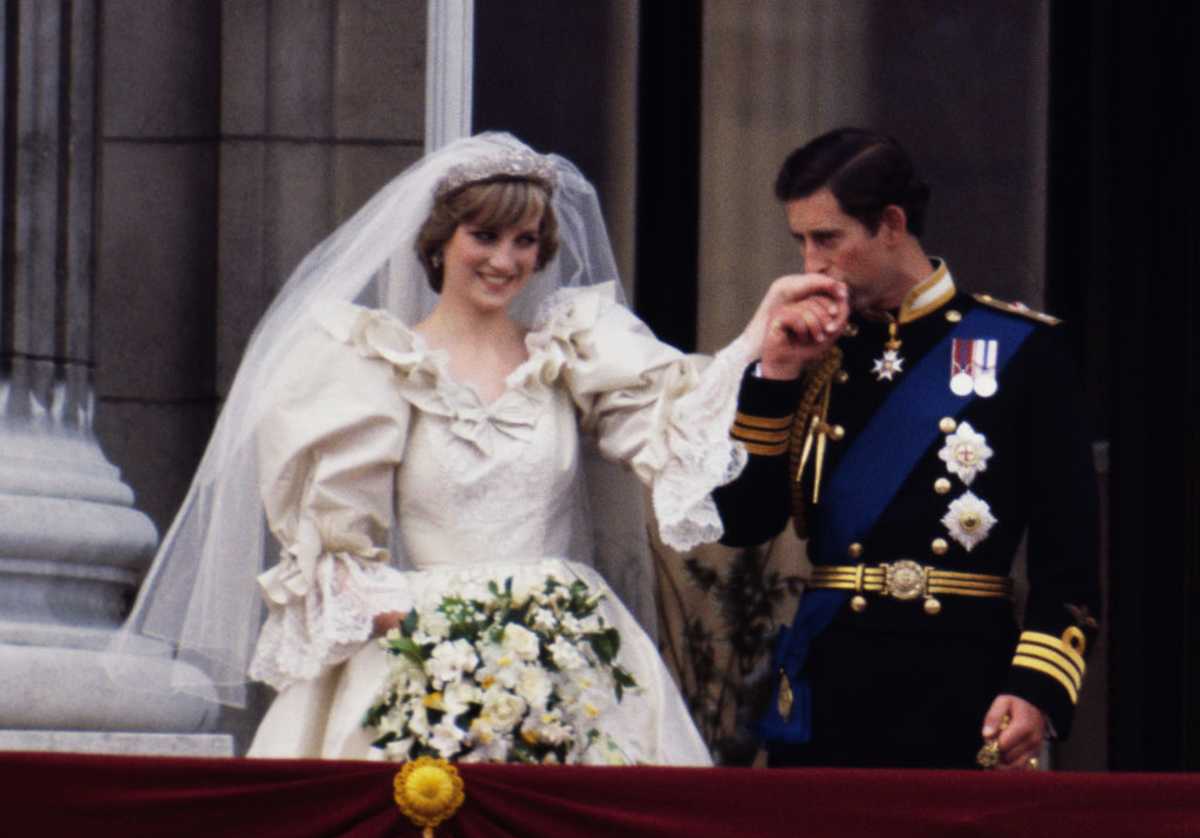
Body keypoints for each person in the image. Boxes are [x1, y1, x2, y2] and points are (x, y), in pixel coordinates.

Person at [111, 132, 845, 765]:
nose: (506, 260)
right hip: (424, 652)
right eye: (484, 237)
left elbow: (679, 423)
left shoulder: (572, 350)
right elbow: (338, 551)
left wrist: (759, 343)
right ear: (439, 243)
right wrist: (444, 640)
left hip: (574, 651)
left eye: (525, 241)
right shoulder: (373, 364)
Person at [713, 127, 1101, 770]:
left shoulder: (1023, 350)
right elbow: (741, 522)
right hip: (831, 683)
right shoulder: (809, 352)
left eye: (827, 238)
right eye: (801, 241)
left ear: (891, 223)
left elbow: (1071, 556)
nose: (810, 264)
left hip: (963, 683)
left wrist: (1035, 688)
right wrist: (774, 376)